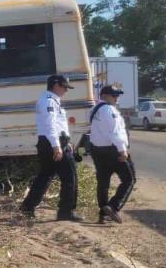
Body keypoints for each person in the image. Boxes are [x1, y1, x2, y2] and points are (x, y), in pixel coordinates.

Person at [20, 75, 83, 222]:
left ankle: (28, 206)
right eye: (64, 87)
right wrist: (57, 146)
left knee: (45, 176)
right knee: (70, 176)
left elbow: (59, 126)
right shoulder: (48, 101)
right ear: (55, 85)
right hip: (53, 143)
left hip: (53, 142)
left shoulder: (52, 100)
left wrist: (67, 142)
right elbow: (50, 125)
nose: (66, 90)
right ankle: (66, 211)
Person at [89, 85, 135, 224]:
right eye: (113, 95)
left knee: (103, 182)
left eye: (117, 95)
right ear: (103, 95)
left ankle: (103, 214)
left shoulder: (94, 109)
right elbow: (115, 132)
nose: (116, 98)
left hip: (97, 150)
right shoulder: (109, 110)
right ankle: (113, 207)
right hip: (113, 150)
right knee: (129, 179)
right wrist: (123, 151)